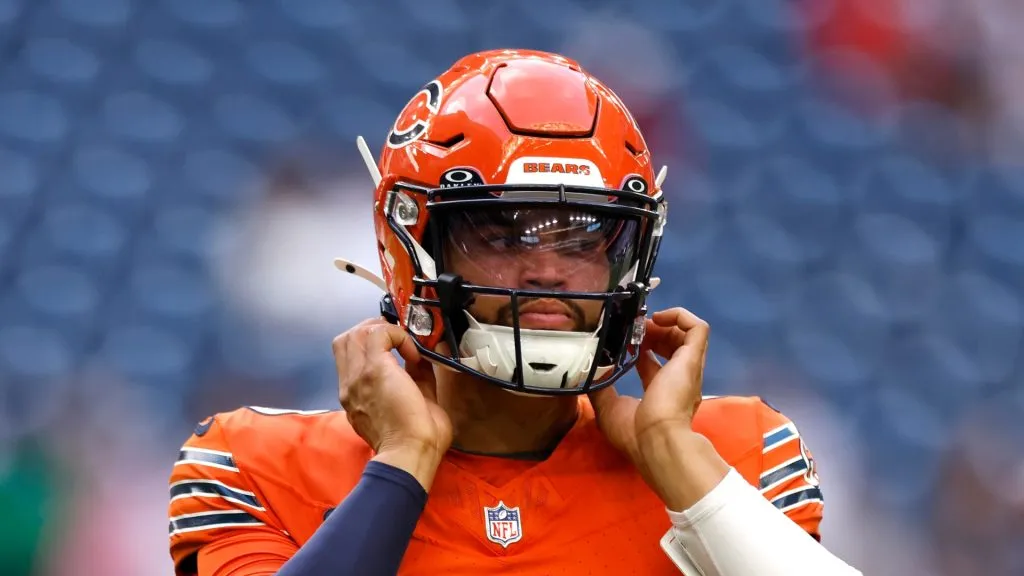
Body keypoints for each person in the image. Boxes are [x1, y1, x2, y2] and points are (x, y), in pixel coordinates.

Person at [167, 49, 862, 576]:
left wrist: (674, 458)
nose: (548, 270)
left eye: (586, 237)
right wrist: (405, 461)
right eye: (503, 235)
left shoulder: (738, 452)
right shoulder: (252, 465)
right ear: (412, 245)